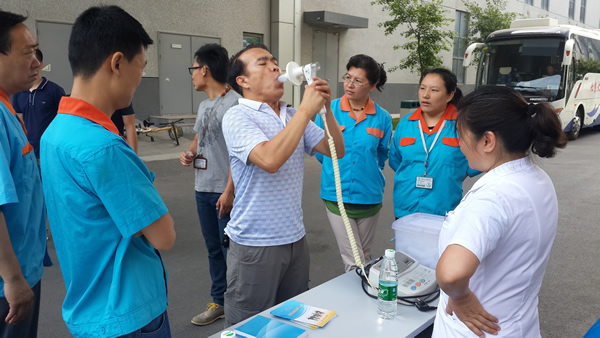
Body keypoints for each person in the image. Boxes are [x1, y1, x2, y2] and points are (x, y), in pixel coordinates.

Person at [40, 6, 175, 337]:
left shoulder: (54, 132)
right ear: (117, 63)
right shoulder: (104, 147)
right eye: (140, 67)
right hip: (129, 312)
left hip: (88, 305)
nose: (140, 79)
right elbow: (164, 235)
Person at [222, 44, 344, 326]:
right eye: (263, 63)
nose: (275, 68)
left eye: (275, 62)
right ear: (243, 81)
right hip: (254, 242)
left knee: (291, 323)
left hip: (294, 238)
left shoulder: (289, 115)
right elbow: (269, 159)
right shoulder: (238, 115)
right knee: (249, 326)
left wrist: (326, 109)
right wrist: (305, 109)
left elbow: (336, 149)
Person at [433, 86, 567, 337]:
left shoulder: (492, 198)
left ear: (487, 141)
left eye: (460, 136)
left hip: (476, 330)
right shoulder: (536, 179)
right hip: (518, 324)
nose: (458, 144)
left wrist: (461, 298)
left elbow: (451, 273)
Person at [179, 43, 240, 326]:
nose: (191, 75)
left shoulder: (236, 104)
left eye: (193, 68)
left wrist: (230, 190)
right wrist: (189, 153)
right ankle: (219, 301)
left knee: (231, 249)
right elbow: (197, 138)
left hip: (223, 190)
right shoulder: (204, 105)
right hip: (202, 187)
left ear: (205, 69)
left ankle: (238, 303)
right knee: (213, 249)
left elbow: (239, 153)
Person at [315, 54, 392, 272]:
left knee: (363, 257)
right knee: (354, 260)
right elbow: (321, 151)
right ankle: (366, 296)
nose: (350, 84)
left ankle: (363, 297)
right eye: (348, 77)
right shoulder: (327, 110)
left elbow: (382, 154)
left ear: (373, 86)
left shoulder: (383, 118)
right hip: (335, 194)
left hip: (369, 196)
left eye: (358, 80)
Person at [0, 11, 46, 338]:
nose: (36, 62)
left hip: (22, 269)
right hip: (8, 286)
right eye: (27, 52)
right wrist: (13, 279)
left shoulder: (7, 109)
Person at [389, 68, 479, 219]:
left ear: (450, 95)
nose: (425, 95)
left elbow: (475, 162)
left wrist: (450, 175)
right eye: (422, 88)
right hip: (406, 210)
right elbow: (396, 160)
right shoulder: (406, 123)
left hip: (443, 210)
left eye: (434, 90)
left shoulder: (462, 125)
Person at [13, 48, 66, 161]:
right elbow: (19, 122)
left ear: (40, 65)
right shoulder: (18, 92)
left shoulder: (55, 91)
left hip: (50, 152)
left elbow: (65, 122)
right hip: (27, 152)